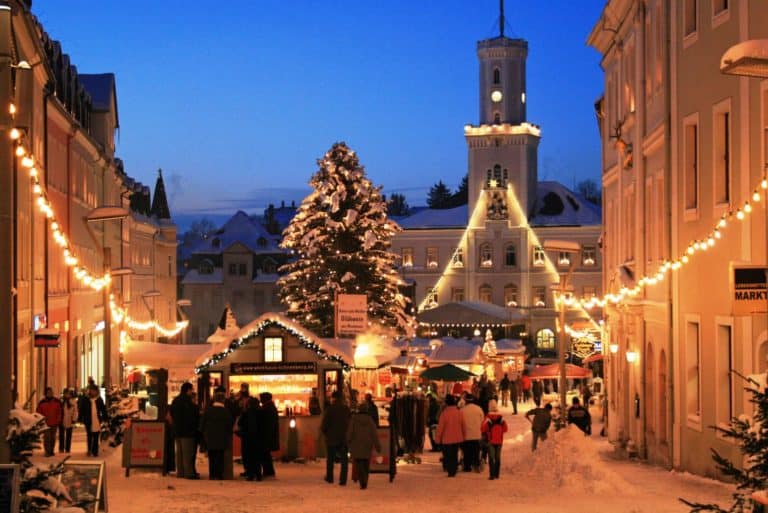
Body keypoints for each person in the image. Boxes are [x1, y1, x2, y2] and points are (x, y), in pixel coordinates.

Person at [347, 402, 382, 490]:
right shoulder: (370, 420)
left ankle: (362, 479)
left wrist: (348, 440)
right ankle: (365, 480)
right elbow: (374, 434)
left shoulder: (354, 419)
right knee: (366, 463)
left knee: (358, 462)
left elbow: (350, 432)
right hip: (367, 445)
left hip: (356, 444)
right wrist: (378, 446)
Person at [201, 391, 234, 480]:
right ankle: (219, 475)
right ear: (223, 400)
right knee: (220, 457)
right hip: (222, 437)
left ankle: (212, 474)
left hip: (210, 437)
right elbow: (230, 425)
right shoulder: (226, 412)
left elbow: (202, 424)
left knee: (212, 456)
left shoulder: (208, 411)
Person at [169, 382, 200, 479]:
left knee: (179, 453)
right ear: (188, 390)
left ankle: (181, 472)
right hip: (188, 431)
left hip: (177, 430)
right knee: (188, 453)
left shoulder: (176, 400)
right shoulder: (188, 401)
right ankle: (189, 473)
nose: (192, 392)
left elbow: (171, 414)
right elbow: (193, 416)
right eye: (191, 390)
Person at [321, 391, 351, 485]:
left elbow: (324, 425)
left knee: (330, 459)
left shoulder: (330, 410)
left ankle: (330, 477)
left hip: (331, 438)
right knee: (344, 460)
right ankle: (343, 480)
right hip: (343, 438)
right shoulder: (346, 409)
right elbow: (349, 423)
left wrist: (326, 433)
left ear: (333, 399)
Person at [435, 394, 465, 477]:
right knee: (454, 454)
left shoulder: (444, 414)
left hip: (446, 438)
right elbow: (463, 425)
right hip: (457, 438)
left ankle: (450, 470)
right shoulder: (459, 413)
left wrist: (438, 439)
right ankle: (453, 470)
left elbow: (440, 427)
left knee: (448, 455)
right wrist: (464, 435)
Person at [238, 397, 264, 481]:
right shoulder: (261, 413)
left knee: (248, 456)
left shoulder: (246, 413)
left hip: (247, 437)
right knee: (257, 456)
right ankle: (258, 474)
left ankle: (250, 474)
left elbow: (240, 423)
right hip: (259, 438)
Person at [481, 400, 508, 480]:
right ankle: (497, 474)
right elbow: (505, 429)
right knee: (498, 458)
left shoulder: (488, 417)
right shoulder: (501, 418)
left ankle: (492, 475)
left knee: (491, 457)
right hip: (499, 441)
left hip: (491, 441)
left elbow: (482, 428)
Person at [78, 384, 106, 457]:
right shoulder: (85, 399)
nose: (93, 392)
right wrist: (80, 418)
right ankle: (89, 450)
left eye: (95, 390)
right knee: (89, 435)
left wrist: (105, 418)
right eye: (92, 390)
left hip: (96, 420)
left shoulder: (99, 399)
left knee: (96, 435)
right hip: (88, 420)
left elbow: (103, 409)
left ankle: (95, 451)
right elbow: (81, 409)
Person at [460, 395, 484, 472]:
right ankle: (476, 464)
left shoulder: (462, 410)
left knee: (466, 451)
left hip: (466, 435)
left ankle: (467, 466)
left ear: (466, 401)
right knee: (475, 451)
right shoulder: (479, 409)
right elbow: (482, 420)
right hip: (476, 434)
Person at [36, 387, 62, 457]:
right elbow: (38, 413)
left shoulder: (57, 401)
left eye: (51, 392)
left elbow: (59, 412)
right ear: (46, 394)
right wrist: (41, 421)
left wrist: (58, 420)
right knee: (47, 438)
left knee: (53, 438)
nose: (50, 394)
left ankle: (51, 450)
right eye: (48, 392)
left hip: (54, 423)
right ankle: (47, 451)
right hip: (45, 423)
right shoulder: (42, 402)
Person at [259, 392, 279, 478]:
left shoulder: (267, 408)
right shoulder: (271, 407)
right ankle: (268, 470)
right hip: (269, 434)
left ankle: (268, 471)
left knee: (265, 453)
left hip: (267, 435)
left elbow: (266, 423)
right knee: (266, 453)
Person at [59, 388, 78, 454]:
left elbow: (75, 411)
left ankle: (67, 449)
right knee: (61, 435)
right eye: (65, 393)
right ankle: (61, 448)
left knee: (68, 435)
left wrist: (74, 419)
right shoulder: (61, 401)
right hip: (61, 420)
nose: (67, 395)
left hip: (69, 420)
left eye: (68, 394)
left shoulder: (73, 402)